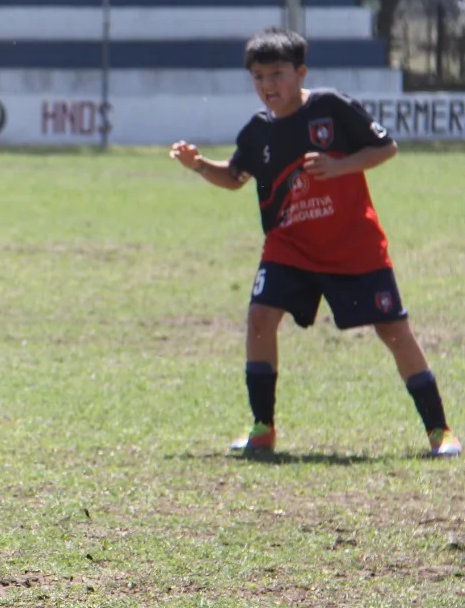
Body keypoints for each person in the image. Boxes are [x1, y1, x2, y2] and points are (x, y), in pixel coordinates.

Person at [169, 27, 461, 459]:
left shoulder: (330, 108)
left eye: (277, 74)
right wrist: (198, 166)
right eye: (259, 77)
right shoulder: (257, 131)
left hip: (353, 245)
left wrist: (339, 166)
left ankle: (440, 430)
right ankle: (262, 429)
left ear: (300, 72)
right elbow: (234, 178)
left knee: (394, 331)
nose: (269, 85)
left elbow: (386, 148)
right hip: (290, 248)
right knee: (260, 318)